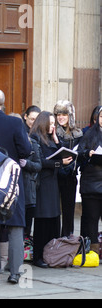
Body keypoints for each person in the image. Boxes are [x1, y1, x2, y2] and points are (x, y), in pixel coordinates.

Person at [0, 88, 32, 284]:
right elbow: (26, 150)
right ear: (2, 103)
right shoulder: (15, 122)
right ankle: (15, 273)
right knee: (16, 227)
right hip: (12, 181)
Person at [29, 111, 73, 268]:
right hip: (42, 184)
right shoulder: (35, 137)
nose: (53, 126)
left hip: (53, 182)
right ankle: (38, 256)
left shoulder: (51, 138)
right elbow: (40, 162)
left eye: (54, 123)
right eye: (51, 123)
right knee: (43, 219)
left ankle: (52, 254)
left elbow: (61, 153)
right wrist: (60, 163)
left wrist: (56, 139)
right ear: (43, 123)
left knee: (54, 218)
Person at [53, 100, 83, 236]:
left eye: (64, 114)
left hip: (70, 176)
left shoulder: (78, 134)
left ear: (70, 116)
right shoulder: (52, 132)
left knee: (68, 211)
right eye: (58, 114)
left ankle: (67, 239)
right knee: (52, 210)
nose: (60, 117)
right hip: (53, 174)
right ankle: (53, 240)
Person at [77, 106, 102, 254]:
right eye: (101, 117)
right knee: (91, 220)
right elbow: (79, 153)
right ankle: (93, 252)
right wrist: (88, 153)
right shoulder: (89, 134)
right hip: (91, 185)